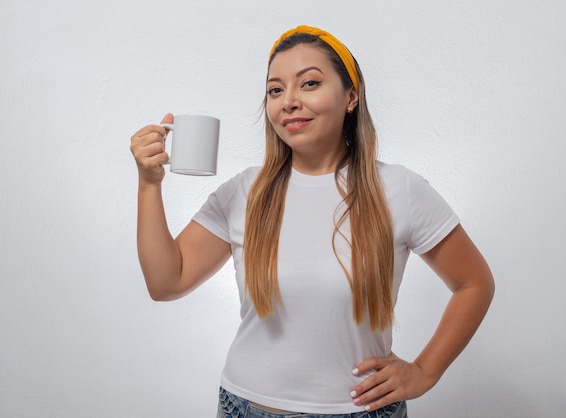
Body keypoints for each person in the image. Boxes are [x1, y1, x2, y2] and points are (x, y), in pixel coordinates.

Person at [130, 25, 494, 418]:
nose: (288, 102)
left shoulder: (399, 189)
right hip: (244, 407)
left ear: (350, 96)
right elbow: (166, 283)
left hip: (360, 412)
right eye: (275, 90)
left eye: (310, 83)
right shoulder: (244, 192)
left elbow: (474, 283)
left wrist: (424, 372)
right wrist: (149, 184)